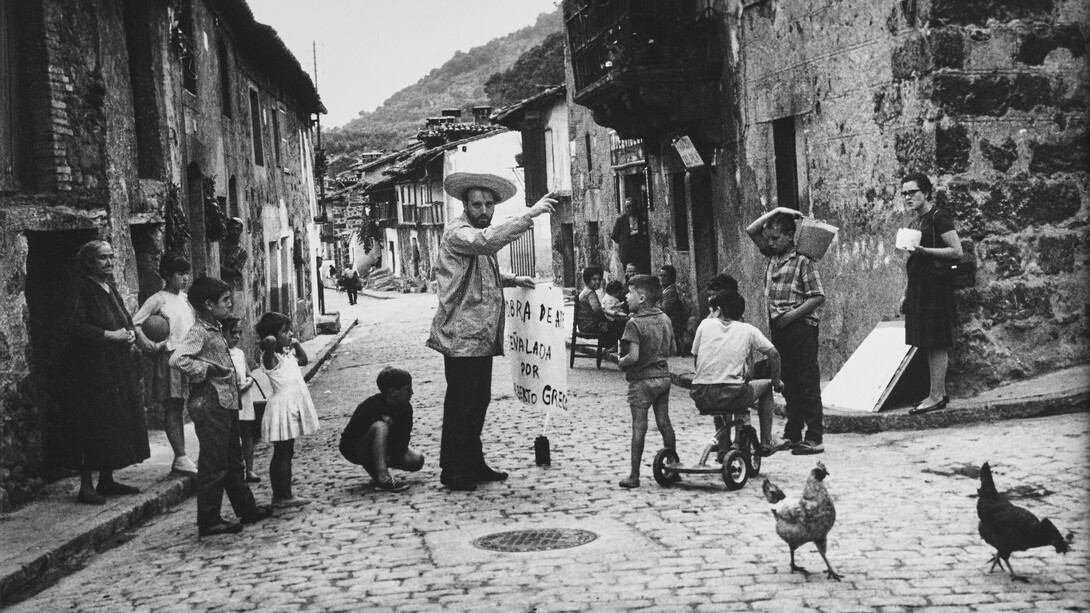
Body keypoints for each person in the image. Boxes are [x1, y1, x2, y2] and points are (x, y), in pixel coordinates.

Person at [426, 171, 556, 491]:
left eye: (488, 205)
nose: (484, 210)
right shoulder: (458, 233)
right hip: (461, 335)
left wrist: (513, 280)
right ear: (464, 205)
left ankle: (473, 462)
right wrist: (529, 214)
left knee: (479, 400)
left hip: (481, 336)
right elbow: (485, 243)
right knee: (461, 403)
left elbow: (483, 272)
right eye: (477, 205)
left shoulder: (476, 235)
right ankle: (452, 469)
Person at [170, 277, 272, 536]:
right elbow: (178, 359)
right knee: (214, 464)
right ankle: (209, 520)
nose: (229, 305)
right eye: (225, 301)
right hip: (210, 403)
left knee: (233, 461)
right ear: (208, 304)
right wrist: (207, 368)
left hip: (225, 403)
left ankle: (246, 509)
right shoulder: (200, 332)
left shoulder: (215, 328)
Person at [59, 240, 150, 504]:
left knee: (113, 422)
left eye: (111, 257)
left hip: (115, 369)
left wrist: (129, 333)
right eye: (102, 258)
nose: (109, 263)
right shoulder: (79, 288)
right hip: (90, 371)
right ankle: (86, 486)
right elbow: (75, 327)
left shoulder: (110, 289)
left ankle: (107, 480)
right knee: (91, 424)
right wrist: (110, 335)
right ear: (88, 262)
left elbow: (125, 320)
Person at [746, 208, 827, 455]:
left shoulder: (803, 261)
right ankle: (793, 432)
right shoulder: (772, 256)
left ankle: (815, 437)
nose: (770, 242)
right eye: (768, 239)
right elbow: (752, 230)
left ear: (790, 236)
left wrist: (791, 316)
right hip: (779, 327)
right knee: (787, 381)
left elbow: (818, 296)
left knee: (807, 381)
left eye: (775, 238)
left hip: (801, 327)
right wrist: (778, 211)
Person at [690, 290, 784, 456]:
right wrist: (777, 382)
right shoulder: (748, 329)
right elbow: (774, 354)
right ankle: (765, 442)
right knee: (766, 386)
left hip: (701, 394)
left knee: (720, 393)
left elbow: (697, 359)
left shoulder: (704, 325)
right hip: (732, 395)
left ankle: (723, 446)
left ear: (718, 310)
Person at [900, 172, 962, 415]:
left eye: (912, 192)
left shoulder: (938, 217)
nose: (908, 197)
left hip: (935, 286)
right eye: (904, 193)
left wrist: (925, 250)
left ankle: (936, 396)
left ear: (925, 193)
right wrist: (906, 293)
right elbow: (913, 261)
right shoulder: (916, 222)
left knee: (936, 341)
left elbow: (956, 251)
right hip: (919, 286)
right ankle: (937, 393)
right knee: (926, 341)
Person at [132, 253, 198, 476]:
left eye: (187, 273)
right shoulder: (158, 299)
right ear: (168, 275)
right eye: (180, 273)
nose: (185, 278)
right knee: (174, 407)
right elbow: (135, 323)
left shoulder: (186, 299)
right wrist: (150, 345)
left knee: (193, 405)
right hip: (170, 358)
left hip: (190, 358)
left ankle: (189, 456)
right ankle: (180, 457)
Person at [617, 274, 676, 489]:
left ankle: (634, 475)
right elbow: (673, 349)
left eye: (630, 293)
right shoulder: (665, 318)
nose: (626, 296)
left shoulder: (633, 324)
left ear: (641, 298)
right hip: (663, 378)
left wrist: (621, 362)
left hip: (641, 381)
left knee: (639, 426)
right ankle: (673, 465)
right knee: (664, 423)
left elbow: (633, 357)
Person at [256, 311, 320, 507]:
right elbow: (269, 345)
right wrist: (270, 341)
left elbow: (304, 360)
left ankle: (285, 493)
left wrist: (296, 344)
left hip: (291, 405)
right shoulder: (271, 358)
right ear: (273, 336)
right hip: (282, 408)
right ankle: (281, 496)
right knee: (282, 453)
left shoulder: (287, 354)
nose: (290, 333)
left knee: (287, 452)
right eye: (285, 331)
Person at [339, 367, 424, 492]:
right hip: (355, 449)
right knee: (380, 426)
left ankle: (378, 470)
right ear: (393, 392)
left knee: (417, 460)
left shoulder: (406, 408)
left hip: (385, 449)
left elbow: (403, 441)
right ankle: (383, 477)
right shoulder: (370, 406)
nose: (412, 393)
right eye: (407, 389)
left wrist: (391, 455)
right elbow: (351, 438)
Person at [223, 317, 260, 483]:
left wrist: (249, 382)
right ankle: (235, 470)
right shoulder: (221, 354)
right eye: (233, 333)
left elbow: (248, 374)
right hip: (230, 399)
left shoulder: (239, 353)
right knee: (232, 435)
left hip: (244, 398)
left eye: (239, 333)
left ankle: (250, 469)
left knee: (247, 433)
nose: (237, 337)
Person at [576, 266, 626, 349]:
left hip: (585, 325)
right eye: (594, 279)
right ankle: (616, 348)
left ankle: (610, 347)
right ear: (588, 279)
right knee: (620, 324)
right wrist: (604, 321)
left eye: (599, 279)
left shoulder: (585, 291)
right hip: (589, 326)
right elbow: (597, 310)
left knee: (614, 323)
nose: (597, 282)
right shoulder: (590, 293)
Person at [611, 196, 648, 276]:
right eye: (627, 207)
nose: (630, 209)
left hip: (639, 251)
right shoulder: (621, 220)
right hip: (626, 252)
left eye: (631, 206)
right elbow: (614, 235)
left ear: (635, 206)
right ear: (625, 208)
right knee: (628, 273)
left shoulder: (641, 218)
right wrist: (624, 241)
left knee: (639, 273)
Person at [658, 265, 689, 354]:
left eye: (665, 276)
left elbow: (664, 309)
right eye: (660, 275)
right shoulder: (664, 290)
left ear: (671, 277)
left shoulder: (670, 291)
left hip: (673, 320)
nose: (662, 278)